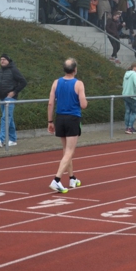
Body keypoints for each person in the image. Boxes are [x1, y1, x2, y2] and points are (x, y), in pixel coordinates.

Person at [47, 58, 87, 193]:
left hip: (60, 118)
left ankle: (72, 178)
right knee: (70, 151)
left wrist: (50, 121)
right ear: (75, 69)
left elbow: (50, 103)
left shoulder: (56, 82)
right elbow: (83, 105)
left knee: (66, 150)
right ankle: (56, 179)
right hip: (73, 118)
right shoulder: (79, 84)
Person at [0, 54, 27, 148]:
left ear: (8, 60)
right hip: (2, 98)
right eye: (1, 59)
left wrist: (14, 92)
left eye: (4, 59)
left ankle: (1, 139)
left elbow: (23, 82)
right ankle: (13, 139)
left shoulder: (14, 70)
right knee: (9, 118)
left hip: (10, 98)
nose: (2, 61)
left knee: (5, 118)